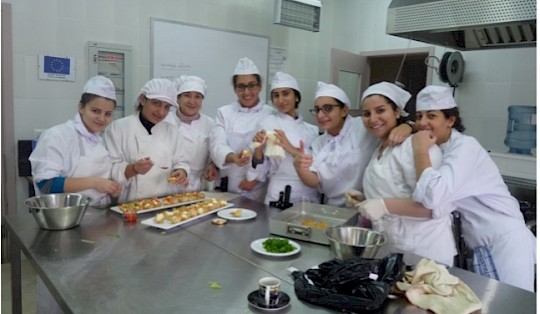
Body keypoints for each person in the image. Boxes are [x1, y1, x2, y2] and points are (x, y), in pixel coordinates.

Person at [410, 85, 535, 291]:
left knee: (508, 307)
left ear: (450, 120)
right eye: (419, 116)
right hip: (484, 245)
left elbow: (432, 195)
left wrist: (419, 151)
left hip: (503, 244)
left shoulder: (465, 147)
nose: (423, 123)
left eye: (431, 115)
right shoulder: (440, 148)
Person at [357, 82, 456, 266]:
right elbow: (397, 191)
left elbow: (433, 206)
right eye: (366, 113)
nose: (372, 119)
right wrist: (365, 198)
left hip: (424, 252)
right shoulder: (381, 147)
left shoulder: (419, 147)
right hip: (391, 247)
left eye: (380, 110)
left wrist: (383, 205)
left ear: (397, 112)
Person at [293, 82, 412, 206]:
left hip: (372, 206)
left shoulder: (362, 127)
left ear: (344, 110)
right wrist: (301, 168)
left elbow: (387, 126)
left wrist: (407, 126)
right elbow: (315, 180)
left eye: (328, 108)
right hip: (335, 207)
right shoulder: (319, 142)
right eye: (317, 110)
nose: (320, 115)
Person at [29, 75, 122, 206]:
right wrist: (95, 183)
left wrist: (111, 188)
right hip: (65, 218)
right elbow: (46, 184)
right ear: (81, 107)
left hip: (99, 215)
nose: (102, 119)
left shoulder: (101, 142)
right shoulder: (57, 135)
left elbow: (102, 183)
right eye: (96, 111)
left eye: (108, 114)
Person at [104, 78, 190, 202]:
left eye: (166, 107)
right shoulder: (119, 128)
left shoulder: (173, 131)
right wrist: (133, 169)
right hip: (132, 205)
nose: (161, 112)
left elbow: (181, 161)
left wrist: (181, 171)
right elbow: (110, 169)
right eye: (156, 103)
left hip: (165, 203)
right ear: (143, 100)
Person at [247, 72, 320, 205]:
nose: (280, 100)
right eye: (276, 95)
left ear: (296, 97)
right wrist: (258, 150)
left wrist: (290, 148)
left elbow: (318, 166)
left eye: (285, 94)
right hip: (279, 193)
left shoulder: (312, 130)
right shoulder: (267, 124)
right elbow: (260, 173)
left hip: (308, 192)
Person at [209, 57, 274, 201]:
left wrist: (257, 178)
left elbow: (273, 155)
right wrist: (232, 157)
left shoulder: (270, 115)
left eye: (252, 85)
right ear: (234, 89)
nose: (247, 92)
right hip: (226, 187)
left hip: (256, 191)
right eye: (241, 86)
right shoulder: (224, 113)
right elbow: (217, 144)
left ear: (260, 86)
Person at [165, 75, 218, 192]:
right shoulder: (165, 121)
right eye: (187, 95)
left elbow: (213, 152)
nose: (192, 101)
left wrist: (212, 165)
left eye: (198, 97)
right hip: (171, 184)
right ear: (178, 98)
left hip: (200, 185)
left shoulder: (211, 123)